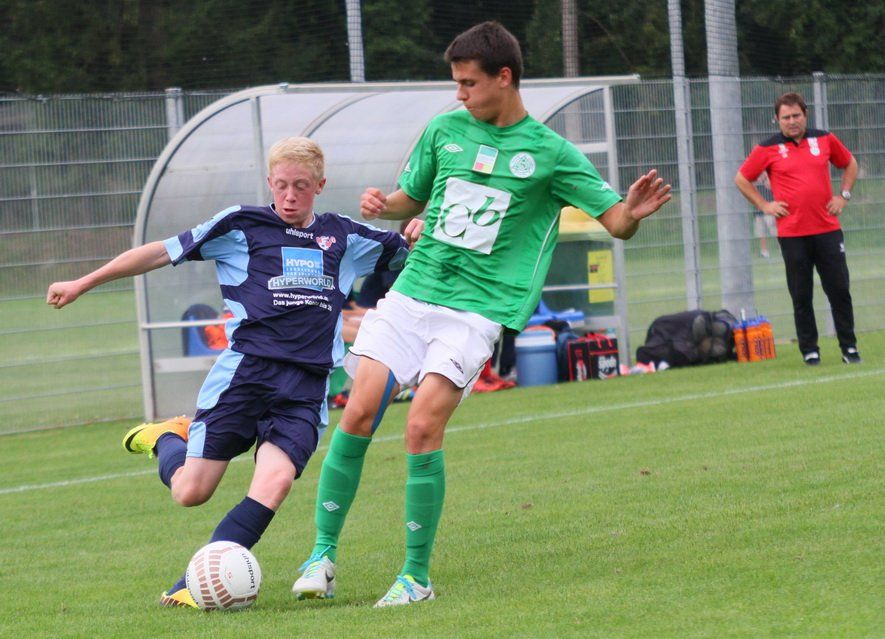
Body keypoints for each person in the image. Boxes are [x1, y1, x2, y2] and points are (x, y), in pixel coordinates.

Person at [291, 21, 671, 607]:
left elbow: (616, 222)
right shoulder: (444, 130)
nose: (460, 93)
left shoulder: (551, 154)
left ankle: (415, 577)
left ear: (504, 77)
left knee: (421, 426)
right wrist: (383, 204)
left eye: (469, 83)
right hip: (413, 293)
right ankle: (321, 556)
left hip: (476, 312)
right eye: (457, 82)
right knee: (359, 409)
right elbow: (411, 198)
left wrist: (633, 212)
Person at [46, 136, 421, 608]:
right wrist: (83, 282)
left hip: (304, 388)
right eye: (281, 185)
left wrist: (420, 229)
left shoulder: (344, 237)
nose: (289, 195)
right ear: (269, 182)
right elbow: (161, 252)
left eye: (301, 186)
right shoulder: (241, 224)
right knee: (191, 492)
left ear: (320, 186)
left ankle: (193, 584)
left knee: (275, 483)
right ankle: (167, 437)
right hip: (245, 378)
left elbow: (413, 251)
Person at [735, 92, 861, 365]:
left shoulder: (824, 139)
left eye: (796, 116)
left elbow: (850, 163)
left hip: (827, 229)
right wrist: (764, 205)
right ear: (777, 119)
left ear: (805, 115)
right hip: (792, 234)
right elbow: (742, 179)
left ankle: (849, 348)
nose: (791, 121)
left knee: (839, 290)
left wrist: (844, 196)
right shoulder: (767, 148)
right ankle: (810, 350)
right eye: (786, 117)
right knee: (801, 294)